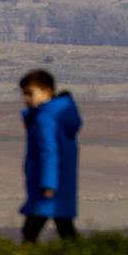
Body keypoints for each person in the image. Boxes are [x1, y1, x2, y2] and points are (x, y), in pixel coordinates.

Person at [17, 68, 82, 242]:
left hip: (48, 186)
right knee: (63, 226)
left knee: (31, 230)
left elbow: (49, 152)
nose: (26, 99)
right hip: (58, 183)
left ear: (47, 92)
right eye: (24, 94)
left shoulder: (45, 118)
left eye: (30, 93)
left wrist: (48, 184)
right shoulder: (57, 116)